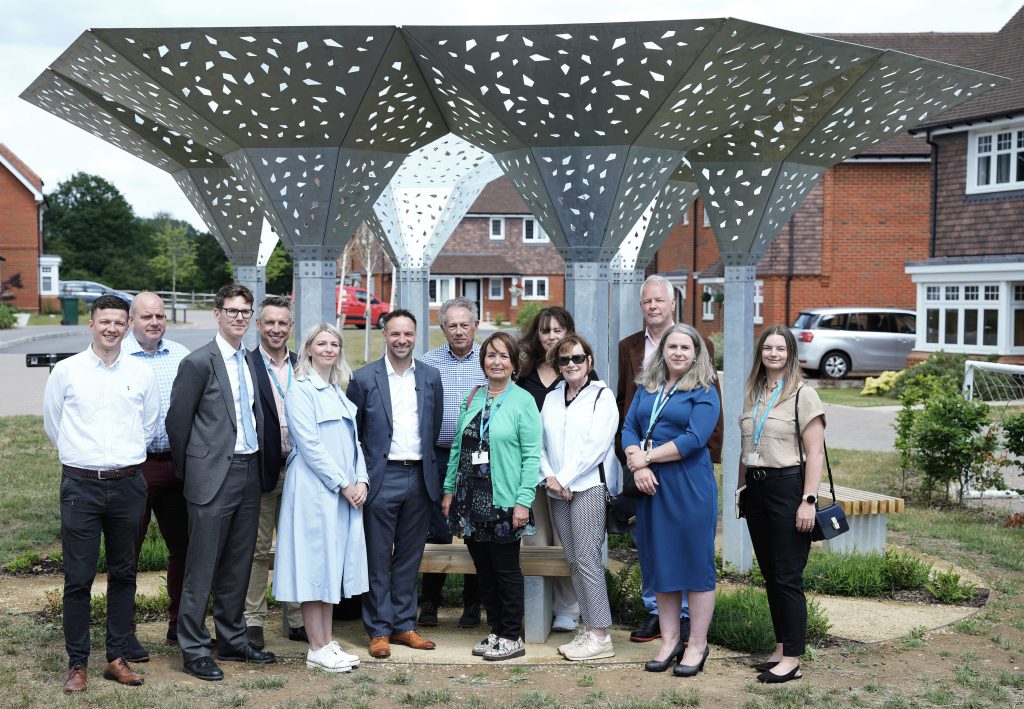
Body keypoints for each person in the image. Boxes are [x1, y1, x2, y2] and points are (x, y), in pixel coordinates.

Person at [43, 294, 160, 693]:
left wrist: (120, 460)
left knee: (124, 573)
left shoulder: (141, 373)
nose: (112, 328)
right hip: (80, 485)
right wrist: (87, 459)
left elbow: (148, 424)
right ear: (90, 324)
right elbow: (53, 423)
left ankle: (116, 657)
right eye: (104, 321)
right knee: (78, 578)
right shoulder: (67, 371)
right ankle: (77, 664)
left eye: (119, 322)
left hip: (128, 484)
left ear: (127, 326)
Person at [166, 283, 276, 681]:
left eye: (245, 312)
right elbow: (177, 425)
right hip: (211, 477)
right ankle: (194, 647)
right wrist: (193, 471)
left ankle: (231, 638)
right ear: (217, 314)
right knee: (202, 565)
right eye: (232, 311)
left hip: (249, 472)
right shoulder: (198, 362)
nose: (239, 318)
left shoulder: (250, 360)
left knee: (238, 563)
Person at [616, 275, 724, 643]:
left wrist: (643, 457)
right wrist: (635, 460)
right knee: (657, 559)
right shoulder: (643, 377)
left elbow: (698, 434)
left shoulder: (703, 387)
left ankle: (695, 641)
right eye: (647, 301)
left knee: (693, 560)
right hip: (648, 481)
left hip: (686, 480)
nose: (677, 352)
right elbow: (627, 417)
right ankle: (666, 636)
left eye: (684, 347)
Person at [347, 309, 443, 659]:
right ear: (385, 335)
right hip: (380, 477)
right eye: (394, 334)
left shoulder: (431, 377)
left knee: (408, 557)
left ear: (416, 336)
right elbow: (353, 433)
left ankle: (404, 625)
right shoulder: (363, 378)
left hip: (419, 476)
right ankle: (378, 629)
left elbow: (431, 430)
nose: (402, 340)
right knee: (376, 556)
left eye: (408, 334)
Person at [273, 324, 369, 672]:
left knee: (330, 565)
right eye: (321, 343)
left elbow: (354, 443)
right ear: (309, 349)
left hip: (341, 493)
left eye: (334, 343)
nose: (328, 348)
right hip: (315, 491)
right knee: (315, 565)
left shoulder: (337, 391)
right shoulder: (301, 389)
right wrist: (344, 483)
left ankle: (326, 642)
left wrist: (361, 480)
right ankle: (316, 645)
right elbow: (310, 445)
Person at [441, 332, 541, 661]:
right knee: (483, 570)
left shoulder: (522, 401)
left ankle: (512, 635)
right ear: (482, 361)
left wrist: (523, 501)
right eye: (490, 355)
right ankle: (496, 631)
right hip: (470, 501)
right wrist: (449, 490)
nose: (496, 362)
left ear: (514, 363)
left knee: (505, 570)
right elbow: (458, 445)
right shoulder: (474, 396)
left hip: (505, 500)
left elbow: (531, 456)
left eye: (503, 356)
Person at [739, 325, 826, 684]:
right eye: (768, 348)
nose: (774, 354)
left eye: (781, 348)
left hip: (787, 489)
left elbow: (815, 452)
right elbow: (745, 447)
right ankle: (780, 648)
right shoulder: (754, 392)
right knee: (772, 575)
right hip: (756, 492)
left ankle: (792, 659)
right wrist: (741, 489)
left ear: (791, 354)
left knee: (788, 576)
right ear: (761, 353)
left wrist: (808, 501)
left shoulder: (803, 394)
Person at [539, 334, 619, 661]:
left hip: (586, 488)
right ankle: (589, 628)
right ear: (557, 365)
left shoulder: (602, 396)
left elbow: (597, 446)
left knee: (587, 560)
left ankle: (601, 636)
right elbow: (539, 441)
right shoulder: (553, 396)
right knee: (573, 560)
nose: (571, 364)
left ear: (590, 361)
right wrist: (551, 479)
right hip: (557, 489)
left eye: (577, 358)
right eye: (564, 360)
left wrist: (566, 478)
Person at [122, 292, 190, 658]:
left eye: (160, 316)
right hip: (136, 465)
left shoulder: (180, 355)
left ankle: (179, 626)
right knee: (126, 550)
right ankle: (126, 631)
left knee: (184, 547)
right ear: (132, 319)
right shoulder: (120, 357)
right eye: (146, 316)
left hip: (177, 464)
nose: (154, 322)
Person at [420, 297, 487, 628]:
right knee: (438, 528)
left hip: (479, 456)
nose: (459, 331)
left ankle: (473, 603)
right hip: (439, 453)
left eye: (465, 324)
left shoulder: (490, 361)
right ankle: (429, 601)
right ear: (442, 328)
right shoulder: (429, 362)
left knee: (475, 528)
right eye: (452, 325)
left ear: (475, 325)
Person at [244, 296, 306, 649]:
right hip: (262, 470)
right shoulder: (247, 365)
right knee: (256, 548)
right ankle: (253, 620)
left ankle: (296, 618)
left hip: (299, 471)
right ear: (259, 325)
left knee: (295, 547)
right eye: (270, 323)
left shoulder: (303, 365)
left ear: (291, 328)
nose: (276, 329)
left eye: (283, 323)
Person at [516, 305, 581, 633]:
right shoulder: (524, 372)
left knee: (565, 539)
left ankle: (568, 608)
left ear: (568, 332)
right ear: (537, 335)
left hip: (567, 472)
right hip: (530, 468)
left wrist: (566, 473)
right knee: (536, 539)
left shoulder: (577, 368)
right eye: (545, 330)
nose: (552, 336)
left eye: (558, 329)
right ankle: (537, 606)